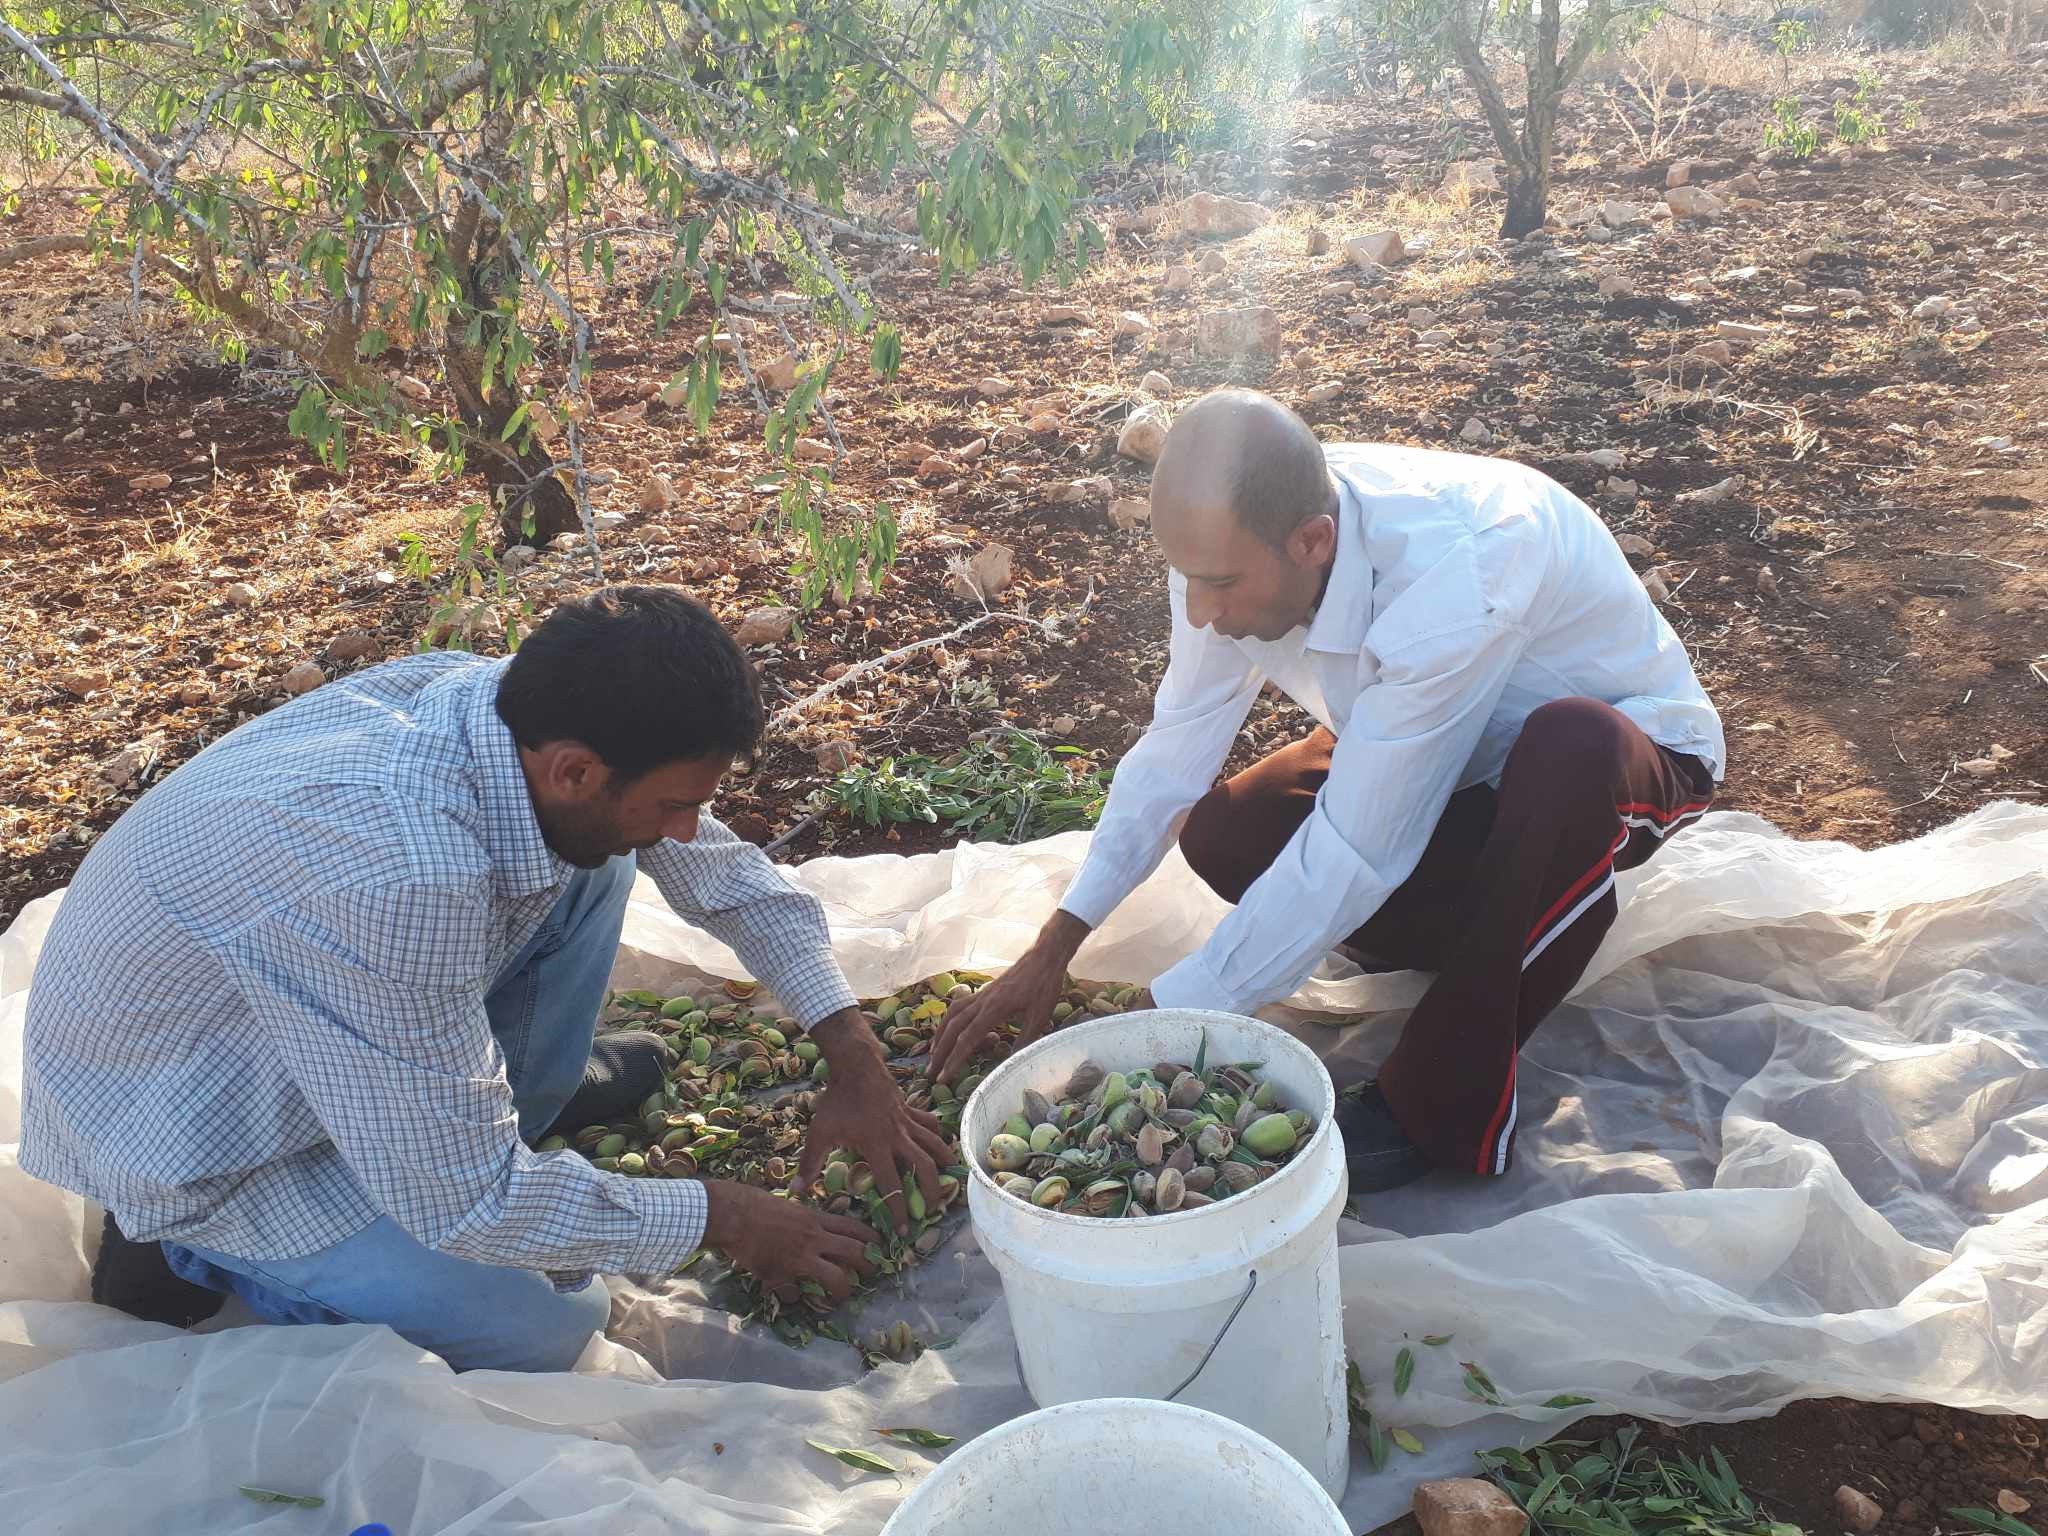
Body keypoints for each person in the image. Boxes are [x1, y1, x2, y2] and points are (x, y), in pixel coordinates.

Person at [23, 586, 951, 1371]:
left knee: (608, 860)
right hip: (196, 1134)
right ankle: (181, 1249)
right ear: (576, 769)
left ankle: (515, 1103)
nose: (685, 826)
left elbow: (714, 869)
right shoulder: (402, 876)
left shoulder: (507, 712)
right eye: (675, 800)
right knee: (547, 1324)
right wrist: (727, 1218)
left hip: (313, 1016)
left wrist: (852, 1052)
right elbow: (463, 1202)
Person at [933, 390, 1724, 1190]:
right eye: (1186, 581)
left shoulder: (1456, 582)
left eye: (1219, 586)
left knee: (1566, 747)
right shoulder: (1231, 541)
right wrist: (1055, 945)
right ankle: (1485, 932)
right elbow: (1176, 746)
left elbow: (1358, 845)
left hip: (1626, 755)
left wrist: (1161, 1024)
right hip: (1443, 753)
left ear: (1313, 543)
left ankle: (1433, 1109)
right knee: (1226, 832)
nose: (1202, 613)